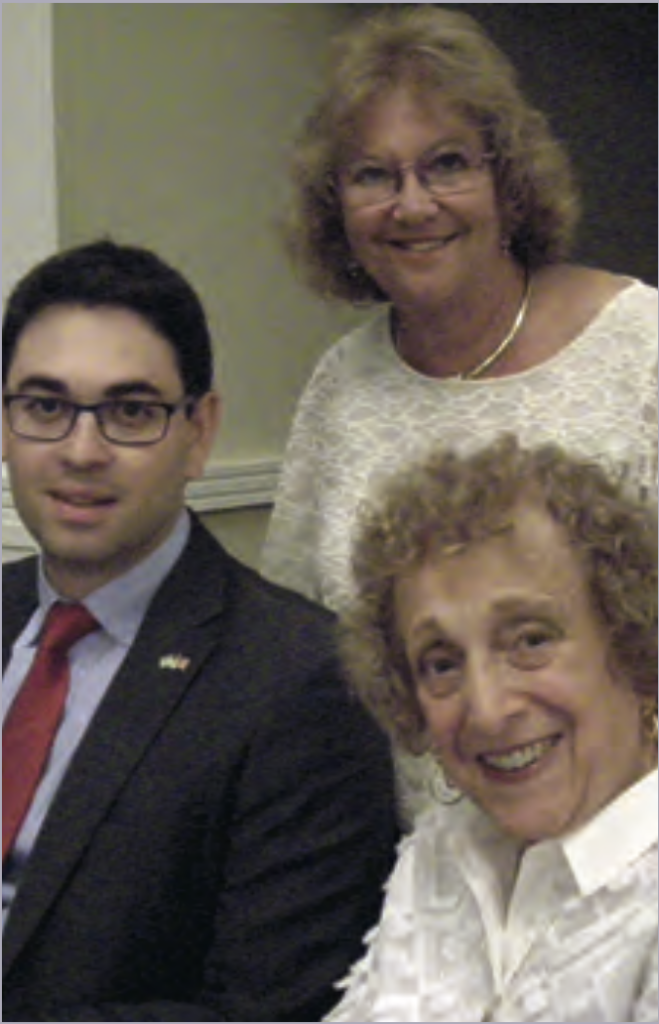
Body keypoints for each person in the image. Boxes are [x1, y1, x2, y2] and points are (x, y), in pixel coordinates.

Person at [260, 4, 658, 820]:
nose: (412, 206)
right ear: (335, 206)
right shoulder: (341, 387)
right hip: (420, 877)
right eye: (373, 175)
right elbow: (295, 653)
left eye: (446, 164)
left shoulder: (640, 346)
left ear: (507, 183)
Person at [1, 239, 399, 1022]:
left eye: (130, 413)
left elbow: (269, 1011)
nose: (83, 452)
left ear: (199, 432)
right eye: (45, 407)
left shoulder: (300, 680)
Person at [320, 434, 658, 1022]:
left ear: (632, 639)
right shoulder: (441, 852)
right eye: (442, 663)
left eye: (530, 640)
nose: (487, 710)